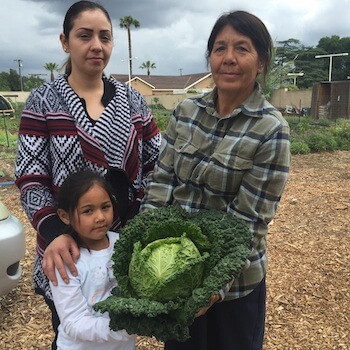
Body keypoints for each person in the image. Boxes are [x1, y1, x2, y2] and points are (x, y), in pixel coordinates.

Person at [140, 10, 291, 350]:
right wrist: (144, 253)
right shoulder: (185, 113)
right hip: (175, 277)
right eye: (220, 48)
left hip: (233, 288)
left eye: (242, 48)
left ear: (261, 62)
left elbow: (248, 223)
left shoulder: (271, 129)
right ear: (210, 56)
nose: (229, 58)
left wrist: (211, 286)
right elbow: (161, 186)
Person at [14, 1, 160, 348]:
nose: (97, 45)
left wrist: (140, 229)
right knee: (72, 332)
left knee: (121, 333)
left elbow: (158, 165)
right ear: (65, 42)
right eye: (85, 35)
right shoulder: (43, 102)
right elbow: (31, 178)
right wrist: (53, 232)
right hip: (68, 252)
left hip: (122, 250)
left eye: (105, 37)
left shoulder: (133, 102)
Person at [50, 169, 135, 349]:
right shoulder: (65, 261)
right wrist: (124, 328)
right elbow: (74, 323)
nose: (100, 217)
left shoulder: (123, 244)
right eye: (88, 211)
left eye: (105, 207)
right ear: (65, 216)